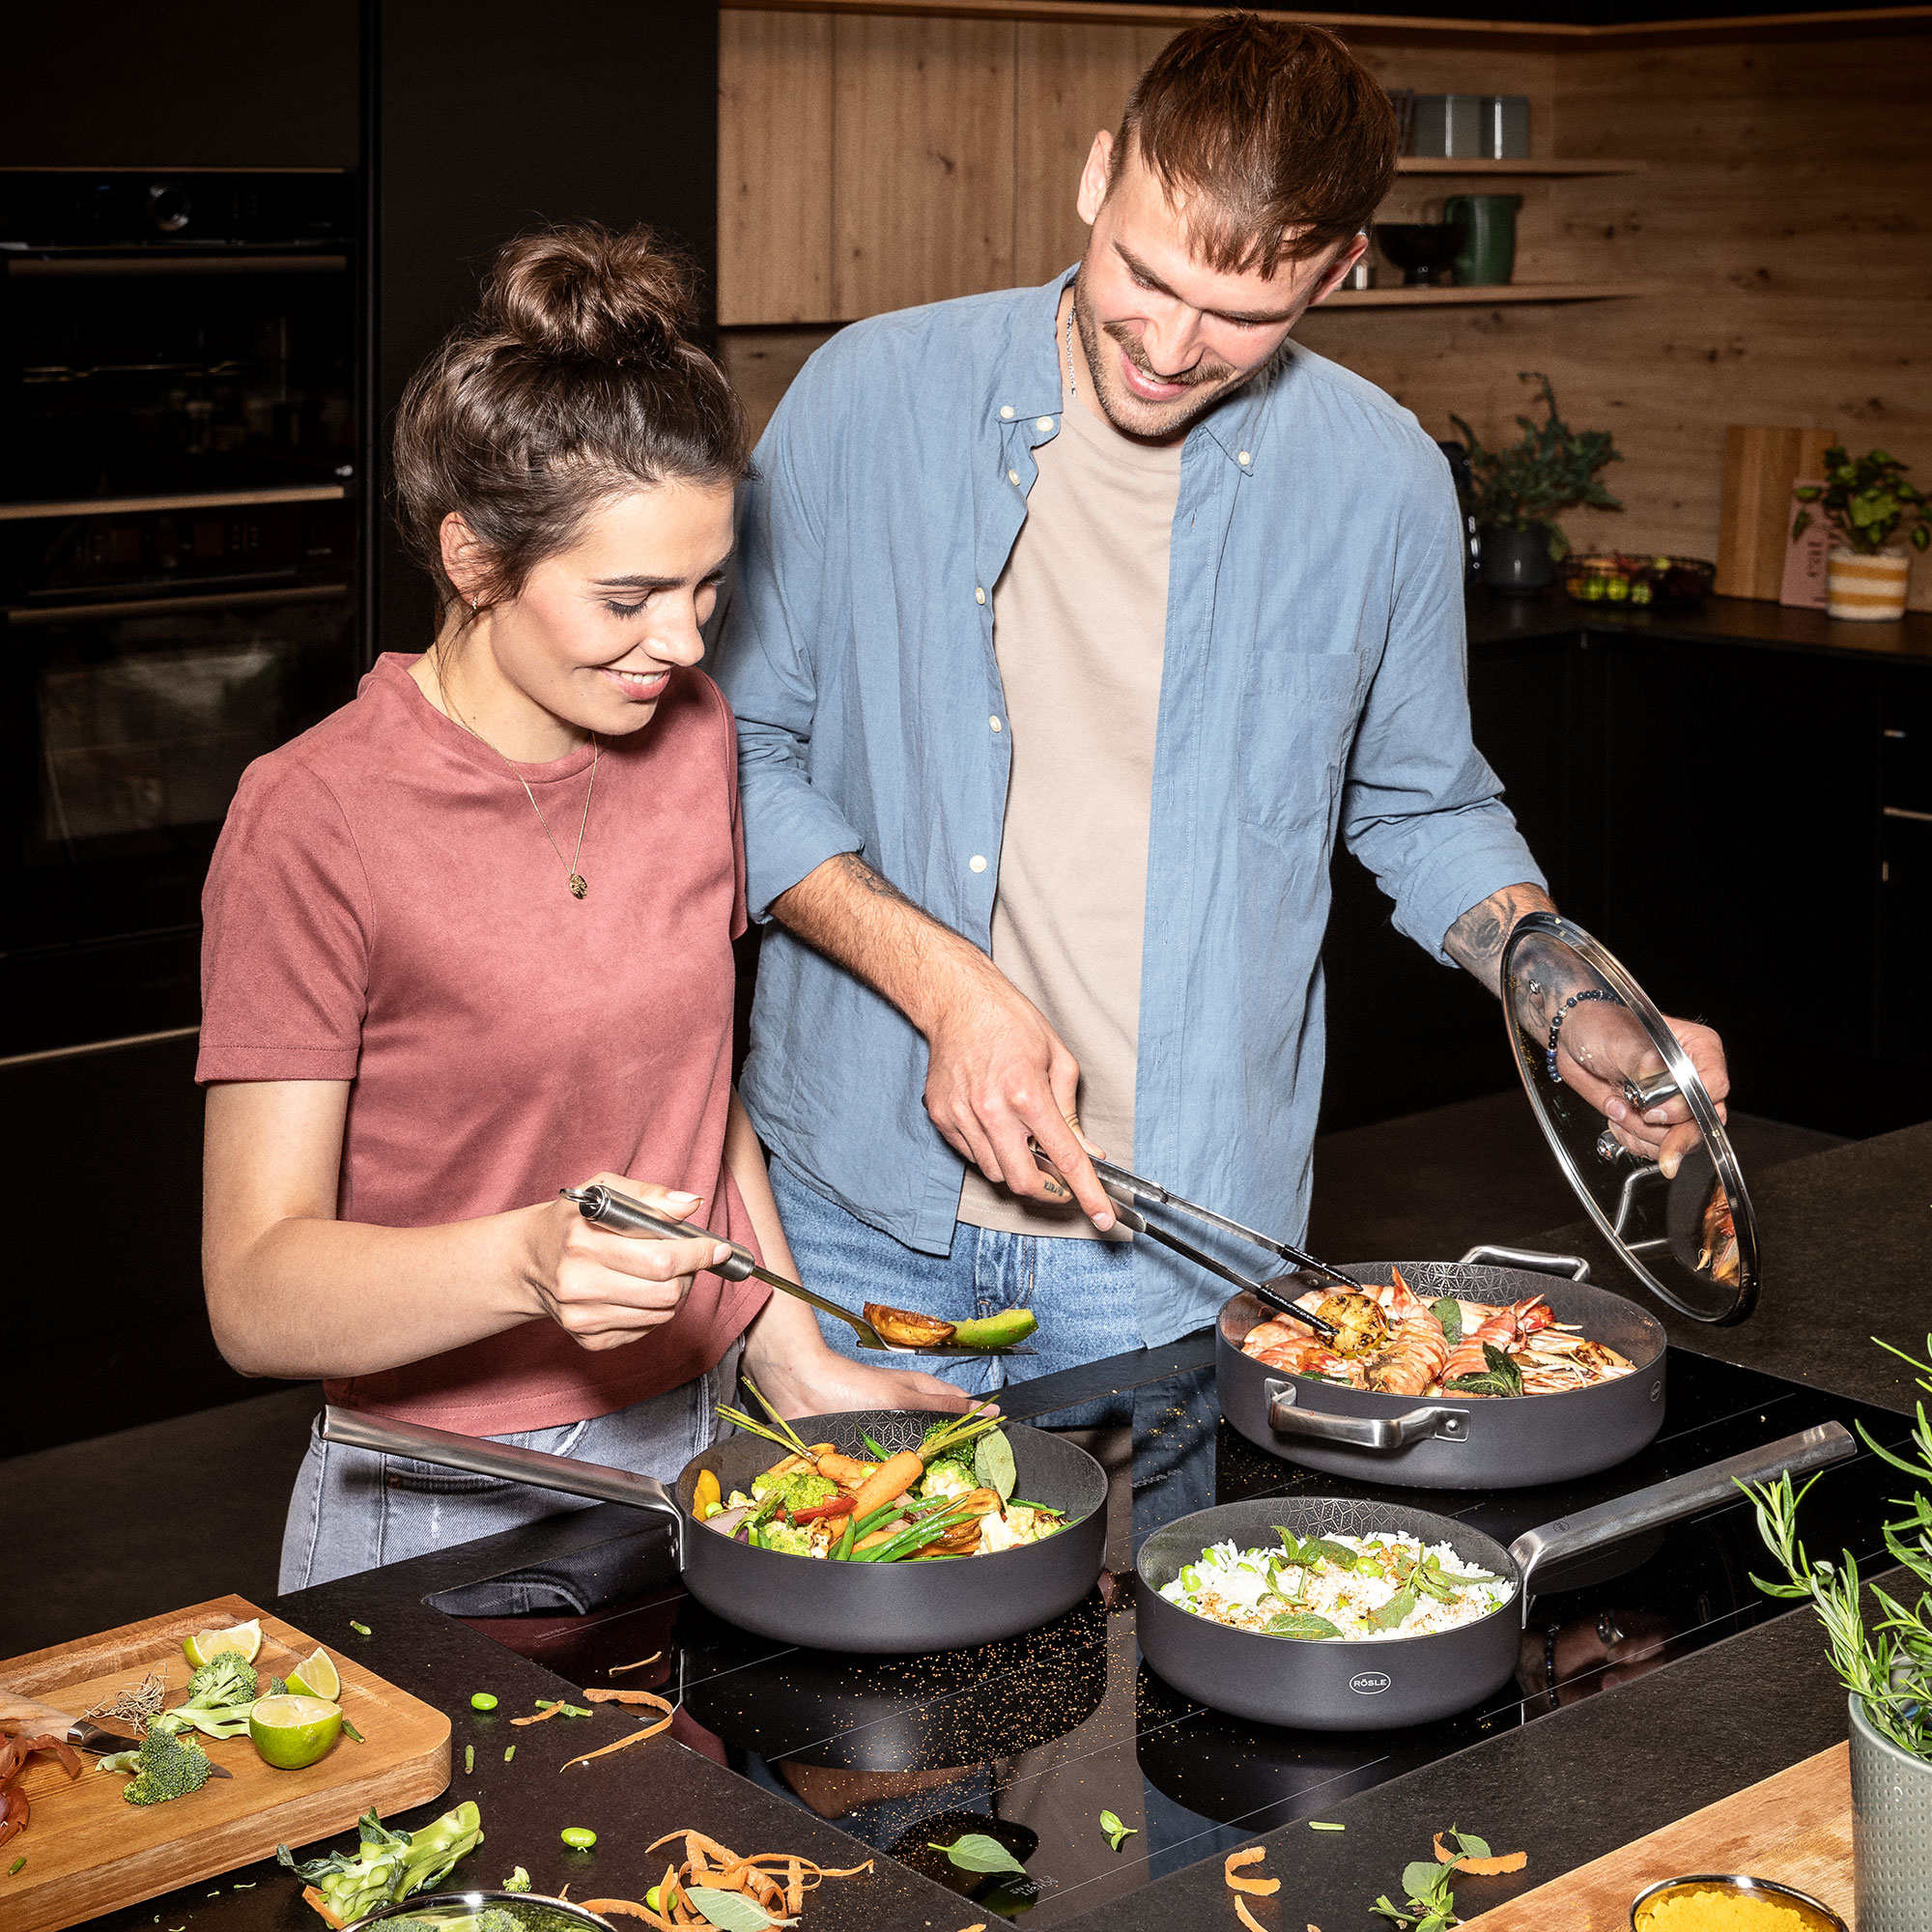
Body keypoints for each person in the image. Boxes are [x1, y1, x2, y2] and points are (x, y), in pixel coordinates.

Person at [714, 15, 1729, 1398]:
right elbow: (736, 751)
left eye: (1246, 316)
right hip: (851, 1212)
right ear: (1096, 175)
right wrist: (939, 982)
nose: (1172, 346)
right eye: (1146, 274)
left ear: (1341, 272)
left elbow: (1422, 802)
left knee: (1162, 1618)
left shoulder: (1382, 482)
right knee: (837, 1593)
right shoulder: (867, 396)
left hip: (1181, 1248)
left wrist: (1572, 1002)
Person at [197, 223, 966, 1601]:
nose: (682, 641)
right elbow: (254, 1293)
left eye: (707, 584)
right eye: (629, 597)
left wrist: (785, 1346)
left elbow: (692, 1080)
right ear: (476, 561)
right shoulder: (312, 815)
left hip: (702, 1456)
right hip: (441, 1506)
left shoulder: (694, 737)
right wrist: (527, 1260)